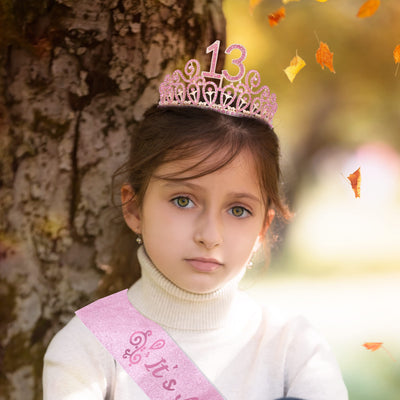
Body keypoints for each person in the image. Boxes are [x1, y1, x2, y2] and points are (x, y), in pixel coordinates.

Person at [43, 41, 348, 400]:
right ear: (134, 209)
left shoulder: (295, 348)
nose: (210, 235)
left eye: (238, 210)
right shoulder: (87, 349)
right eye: (183, 201)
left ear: (263, 228)